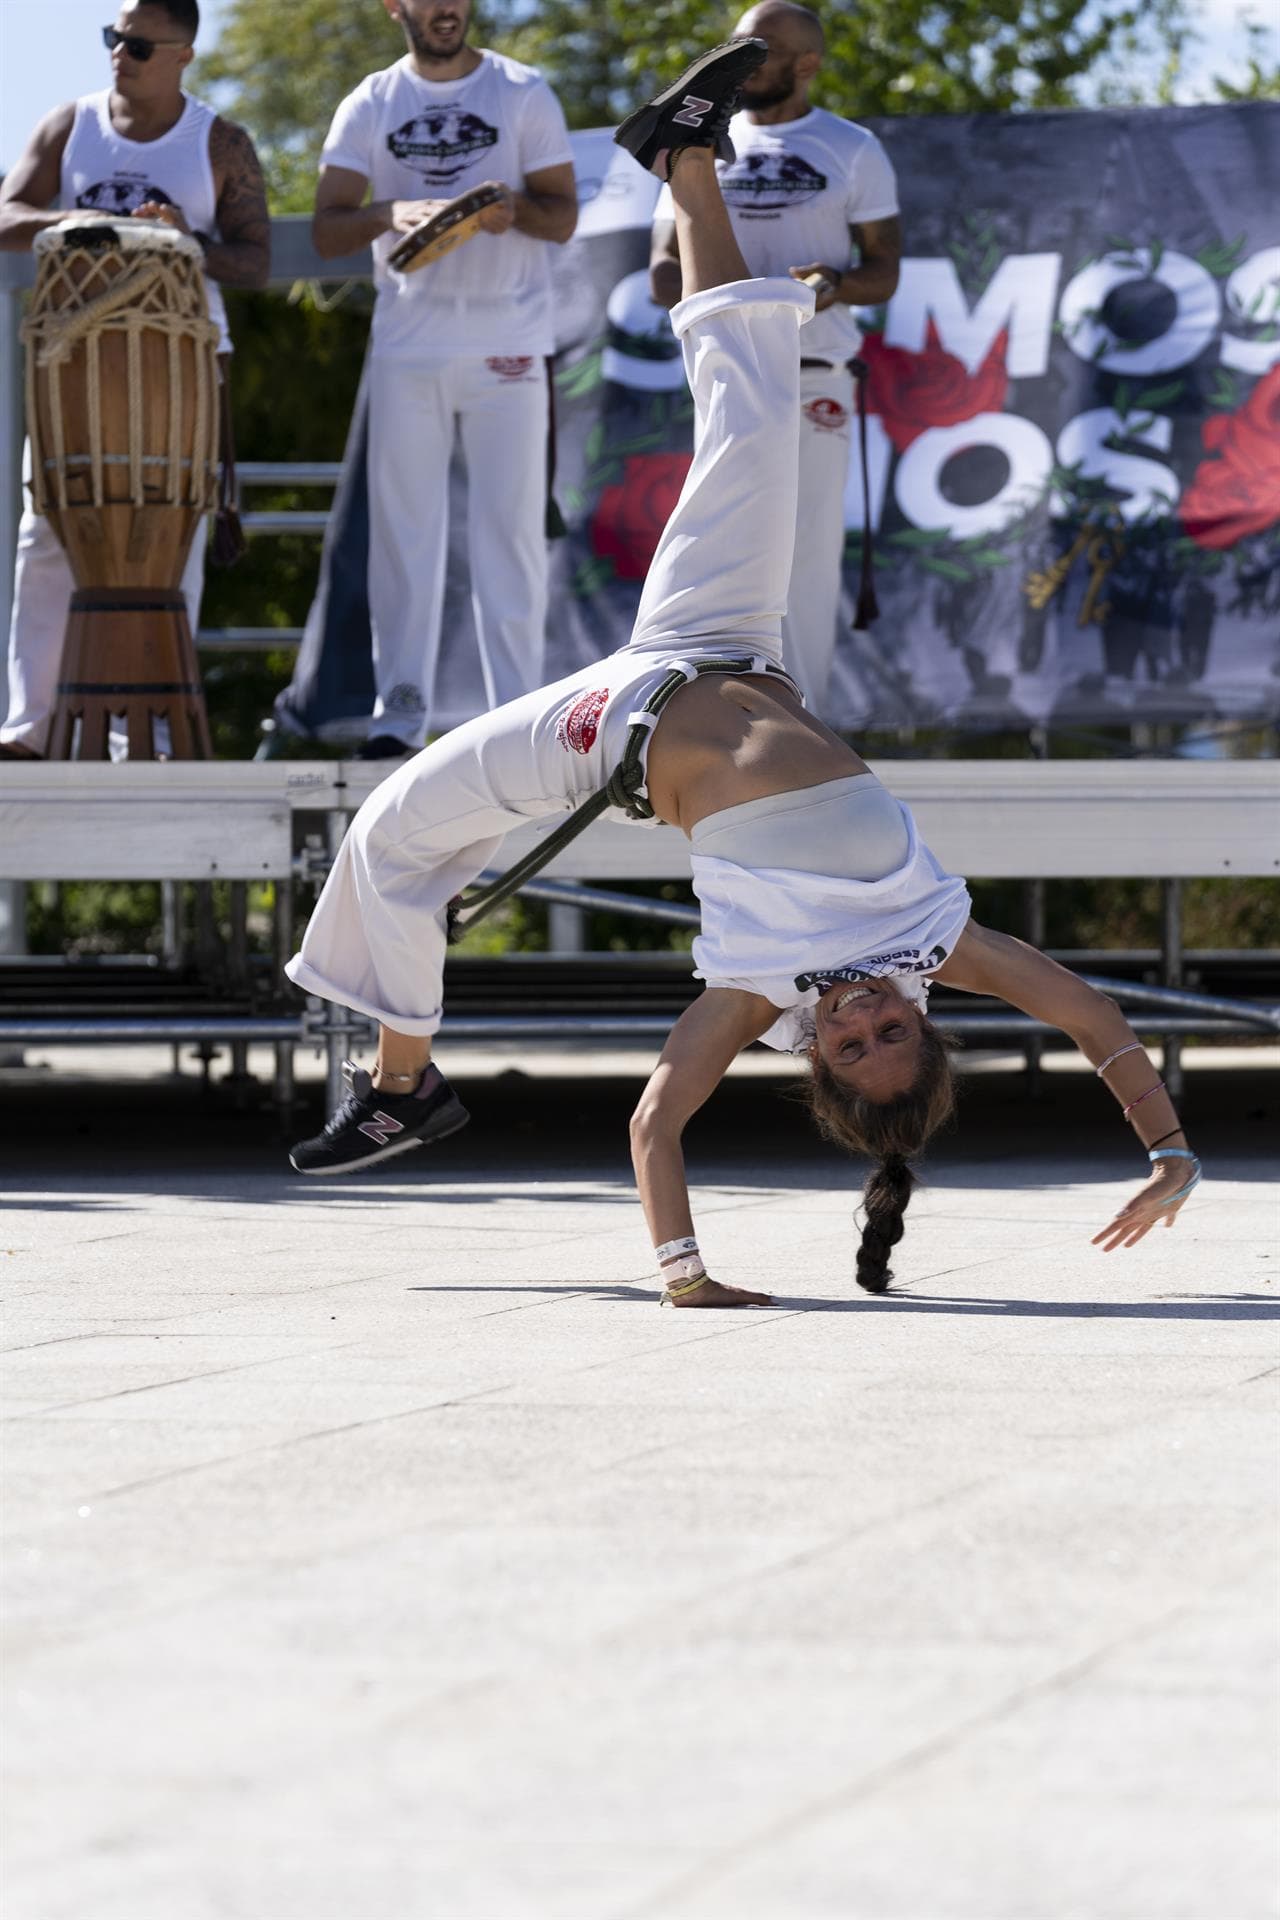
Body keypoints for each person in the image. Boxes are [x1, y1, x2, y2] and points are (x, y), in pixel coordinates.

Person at [285, 41, 1201, 1308]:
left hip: (607, 728)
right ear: (926, 1023)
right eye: (894, 1034)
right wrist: (1166, 1150)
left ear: (815, 1058)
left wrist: (685, 1277)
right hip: (725, 643)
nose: (868, 1017)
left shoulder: (752, 986)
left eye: (851, 1045)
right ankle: (687, 159)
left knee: (387, 831)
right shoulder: (936, 939)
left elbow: (656, 1126)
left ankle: (398, 1089)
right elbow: (1097, 1024)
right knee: (757, 407)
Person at [0, 0, 270, 761]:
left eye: (141, 44)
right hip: (73, 364)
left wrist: (185, 239)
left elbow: (256, 261)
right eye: (114, 37)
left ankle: (137, 735)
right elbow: (5, 213)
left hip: (176, 368)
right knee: (45, 536)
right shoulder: (70, 125)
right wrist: (82, 220)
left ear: (184, 53)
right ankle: (29, 729)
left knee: (167, 543)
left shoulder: (218, 142)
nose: (122, 51)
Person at [310, 0, 577, 760]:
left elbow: (562, 217)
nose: (448, 8)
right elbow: (328, 228)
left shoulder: (522, 90)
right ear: (397, 7)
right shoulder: (371, 100)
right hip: (407, 348)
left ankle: (519, 719)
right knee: (403, 537)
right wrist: (394, 211)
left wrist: (510, 208)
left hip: (510, 347)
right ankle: (399, 714)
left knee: (512, 534)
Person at [650, 2, 900, 717]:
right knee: (724, 548)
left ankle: (804, 729)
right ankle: (719, 726)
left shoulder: (851, 148)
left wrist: (832, 285)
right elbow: (663, 277)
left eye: (762, 51)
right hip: (730, 371)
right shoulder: (699, 144)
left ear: (807, 64)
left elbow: (885, 271)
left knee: (809, 565)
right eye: (738, 48)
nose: (745, 62)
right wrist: (755, 297)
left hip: (815, 373)